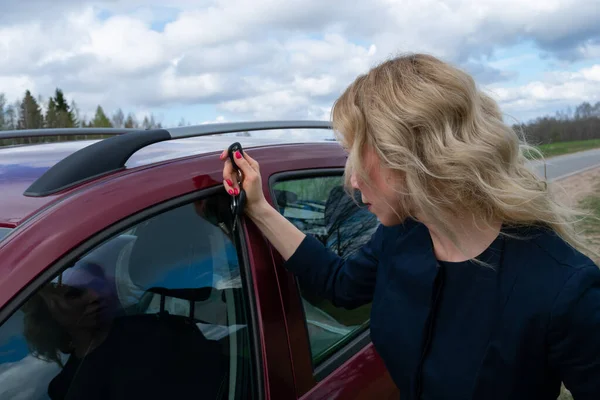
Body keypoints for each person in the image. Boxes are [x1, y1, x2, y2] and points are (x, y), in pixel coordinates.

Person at [220, 53, 600, 400]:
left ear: (416, 156)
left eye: (358, 155)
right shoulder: (403, 235)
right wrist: (258, 208)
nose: (352, 181)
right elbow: (338, 283)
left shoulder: (563, 288)